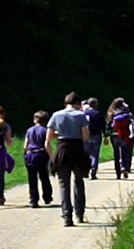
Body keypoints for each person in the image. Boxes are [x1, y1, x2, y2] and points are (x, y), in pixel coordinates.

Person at [47, 92, 90, 227]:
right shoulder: (81, 115)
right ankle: (80, 213)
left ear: (66, 103)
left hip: (62, 149)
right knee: (78, 182)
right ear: (77, 103)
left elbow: (49, 137)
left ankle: (67, 216)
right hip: (77, 149)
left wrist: (61, 132)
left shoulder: (56, 115)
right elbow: (85, 136)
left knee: (63, 185)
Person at [22, 110, 53, 207]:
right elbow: (46, 144)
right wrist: (51, 156)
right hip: (41, 153)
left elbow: (25, 145)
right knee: (44, 176)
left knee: (32, 178)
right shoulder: (45, 130)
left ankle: (33, 200)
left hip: (30, 154)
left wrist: (25, 153)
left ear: (35, 120)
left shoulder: (29, 130)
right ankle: (47, 196)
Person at [107, 97, 134, 179]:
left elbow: (108, 125)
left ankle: (118, 173)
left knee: (116, 154)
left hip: (114, 135)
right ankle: (125, 167)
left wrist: (106, 135)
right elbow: (131, 123)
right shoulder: (126, 112)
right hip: (125, 134)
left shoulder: (111, 112)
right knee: (125, 152)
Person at [83, 97, 105, 179]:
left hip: (85, 135)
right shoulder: (98, 113)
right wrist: (105, 133)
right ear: (95, 104)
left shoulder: (84, 113)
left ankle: (85, 171)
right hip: (96, 135)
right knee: (95, 154)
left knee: (86, 154)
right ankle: (93, 172)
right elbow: (103, 124)